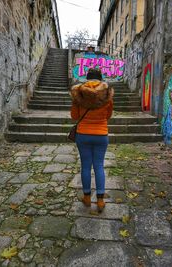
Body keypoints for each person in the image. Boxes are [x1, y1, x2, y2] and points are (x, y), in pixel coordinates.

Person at [70, 68, 114, 212]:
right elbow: (108, 116)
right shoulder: (107, 94)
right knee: (99, 166)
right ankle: (100, 200)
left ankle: (87, 197)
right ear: (100, 79)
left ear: (87, 78)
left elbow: (74, 116)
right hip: (101, 135)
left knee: (85, 166)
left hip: (83, 135)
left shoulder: (79, 94)